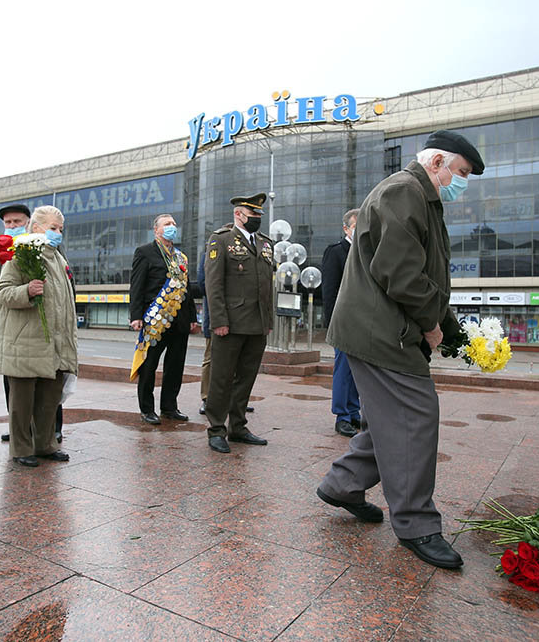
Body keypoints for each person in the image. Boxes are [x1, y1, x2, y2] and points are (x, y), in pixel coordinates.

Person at [316, 130, 485, 570]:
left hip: (382, 327)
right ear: (437, 163)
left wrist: (453, 332)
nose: (460, 182)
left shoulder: (419, 197)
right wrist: (431, 323)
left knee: (388, 421)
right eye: (460, 172)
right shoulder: (404, 192)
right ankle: (416, 525)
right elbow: (401, 274)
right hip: (379, 331)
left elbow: (425, 276)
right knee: (414, 415)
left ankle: (342, 485)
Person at [0, 205, 76, 467]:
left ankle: (45, 444)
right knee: (22, 401)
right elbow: (3, 292)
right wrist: (27, 291)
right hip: (26, 340)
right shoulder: (21, 254)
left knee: (48, 400)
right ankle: (21, 449)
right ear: (37, 228)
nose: (57, 233)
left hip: (54, 341)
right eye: (52, 228)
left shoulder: (58, 259)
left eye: (60, 229)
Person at [202, 193, 274, 453]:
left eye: (258, 216)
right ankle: (217, 429)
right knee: (221, 378)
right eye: (252, 215)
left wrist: (269, 320)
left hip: (257, 324)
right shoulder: (220, 240)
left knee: (246, 378)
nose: (256, 219)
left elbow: (268, 286)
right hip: (230, 323)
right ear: (238, 215)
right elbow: (213, 284)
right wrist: (219, 320)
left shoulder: (266, 244)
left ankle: (238, 426)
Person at [129, 214, 198, 425]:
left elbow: (185, 289)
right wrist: (136, 316)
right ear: (156, 230)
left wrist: (193, 317)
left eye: (174, 224)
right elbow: (137, 286)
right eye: (167, 224)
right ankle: (147, 409)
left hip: (180, 320)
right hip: (155, 320)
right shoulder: (145, 252)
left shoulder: (181, 257)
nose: (172, 227)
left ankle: (169, 407)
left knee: (175, 366)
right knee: (149, 366)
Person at [0, 203, 30, 444]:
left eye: (18, 222)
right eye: (9, 223)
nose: (13, 226)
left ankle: (50, 427)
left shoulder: (40, 245)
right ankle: (16, 426)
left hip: (34, 319)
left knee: (44, 376)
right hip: (8, 322)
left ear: (28, 222)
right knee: (10, 376)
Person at [197, 248, 255, 417]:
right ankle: (207, 398)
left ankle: (235, 400)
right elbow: (203, 283)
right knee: (211, 358)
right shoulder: (212, 249)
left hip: (241, 318)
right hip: (217, 315)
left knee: (238, 360)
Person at [322, 208, 361, 438]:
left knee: (358, 371)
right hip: (343, 322)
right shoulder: (336, 252)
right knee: (344, 370)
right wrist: (331, 324)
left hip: (364, 322)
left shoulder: (368, 251)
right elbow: (329, 291)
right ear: (346, 228)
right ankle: (342, 416)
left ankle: (354, 410)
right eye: (357, 226)